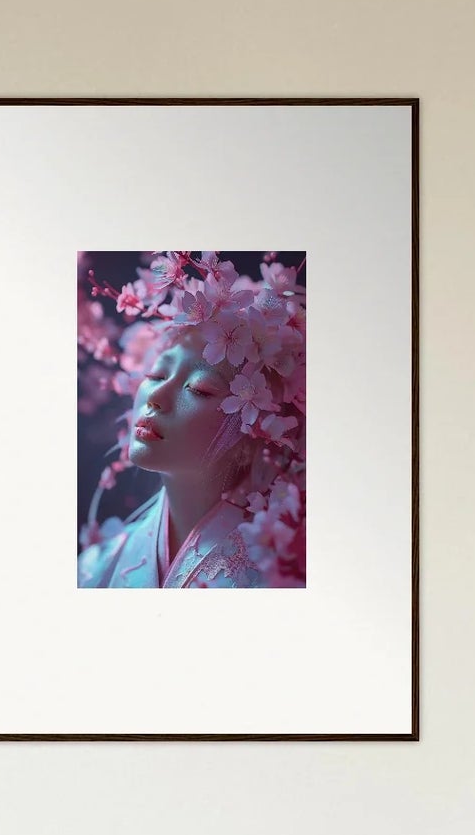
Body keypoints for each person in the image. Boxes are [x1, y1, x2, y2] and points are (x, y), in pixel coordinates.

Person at [77, 252, 305, 590]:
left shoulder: (281, 573)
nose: (156, 396)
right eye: (156, 373)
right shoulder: (96, 567)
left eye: (198, 389)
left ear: (251, 436)